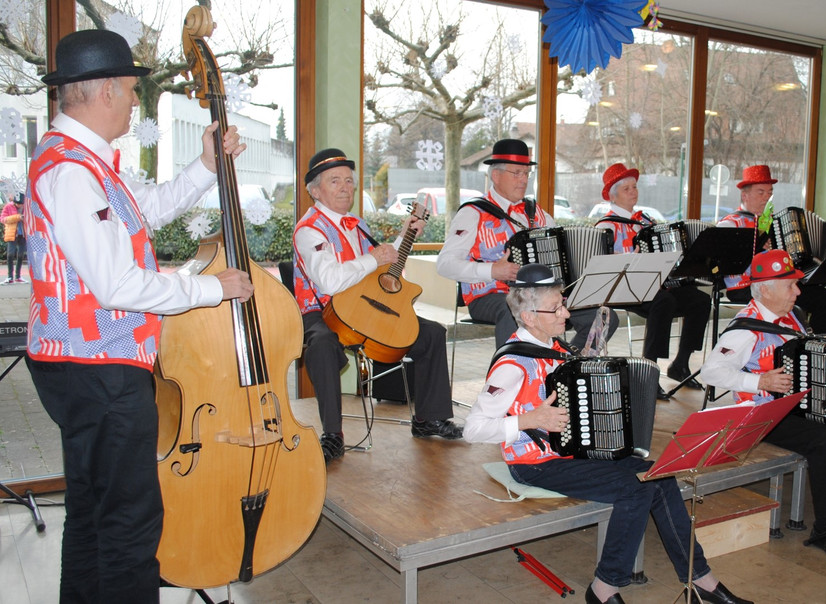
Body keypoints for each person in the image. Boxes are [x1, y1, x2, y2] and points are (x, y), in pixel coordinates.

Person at [25, 29, 255, 603]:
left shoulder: (84, 161)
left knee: (91, 511)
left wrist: (207, 165)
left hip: (80, 364)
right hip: (97, 368)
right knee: (130, 523)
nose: (134, 102)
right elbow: (117, 285)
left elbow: (146, 208)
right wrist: (210, 288)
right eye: (130, 90)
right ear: (104, 91)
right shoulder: (73, 171)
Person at [464, 263, 751, 604]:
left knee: (659, 476)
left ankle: (700, 578)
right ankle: (604, 588)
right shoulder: (512, 365)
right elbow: (473, 429)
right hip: (535, 464)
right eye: (556, 308)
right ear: (529, 317)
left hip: (572, 452)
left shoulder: (554, 347)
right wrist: (528, 420)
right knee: (634, 490)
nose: (566, 313)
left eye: (563, 304)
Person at [700, 249, 826, 563]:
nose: (797, 291)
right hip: (761, 414)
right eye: (790, 285)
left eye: (796, 284)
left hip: (797, 407)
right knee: (824, 440)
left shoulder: (792, 316)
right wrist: (760, 381)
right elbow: (711, 372)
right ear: (765, 290)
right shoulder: (745, 329)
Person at [293, 147, 462, 462]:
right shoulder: (309, 230)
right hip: (323, 311)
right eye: (335, 181)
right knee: (322, 345)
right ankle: (332, 435)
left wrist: (404, 236)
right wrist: (373, 258)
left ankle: (428, 419)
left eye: (349, 181)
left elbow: (381, 266)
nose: (345, 187)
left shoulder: (356, 225)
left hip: (363, 306)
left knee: (431, 333)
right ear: (315, 191)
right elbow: (329, 281)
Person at [437, 138, 618, 351]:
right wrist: (493, 270)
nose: (523, 180)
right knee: (517, 311)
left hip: (542, 296)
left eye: (526, 173)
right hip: (490, 296)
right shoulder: (473, 212)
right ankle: (512, 368)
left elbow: (563, 251)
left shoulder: (536, 212)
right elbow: (445, 264)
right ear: (496, 175)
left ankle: (568, 364)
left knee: (604, 317)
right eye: (516, 173)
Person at [595, 163, 709, 392]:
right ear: (613, 196)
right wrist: (628, 258)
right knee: (664, 301)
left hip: (654, 285)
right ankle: (649, 371)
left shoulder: (646, 221)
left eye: (634, 187)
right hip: (623, 288)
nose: (633, 192)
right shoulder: (606, 226)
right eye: (626, 188)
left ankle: (681, 363)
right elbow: (602, 265)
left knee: (700, 300)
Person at [717, 165, 826, 334]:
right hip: (745, 287)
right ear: (745, 195)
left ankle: (816, 342)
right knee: (815, 299)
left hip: (776, 283)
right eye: (761, 192)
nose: (767, 197)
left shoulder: (775, 222)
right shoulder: (731, 224)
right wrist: (756, 248)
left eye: (769, 192)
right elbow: (727, 262)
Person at [1, 192, 26, 283]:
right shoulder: (8, 207)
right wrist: (17, 217)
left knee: (20, 255)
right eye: (17, 204)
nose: (19, 205)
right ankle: (10, 277)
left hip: (23, 233)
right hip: (12, 234)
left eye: (21, 204)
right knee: (10, 255)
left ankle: (18, 276)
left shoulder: (26, 207)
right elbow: (3, 219)